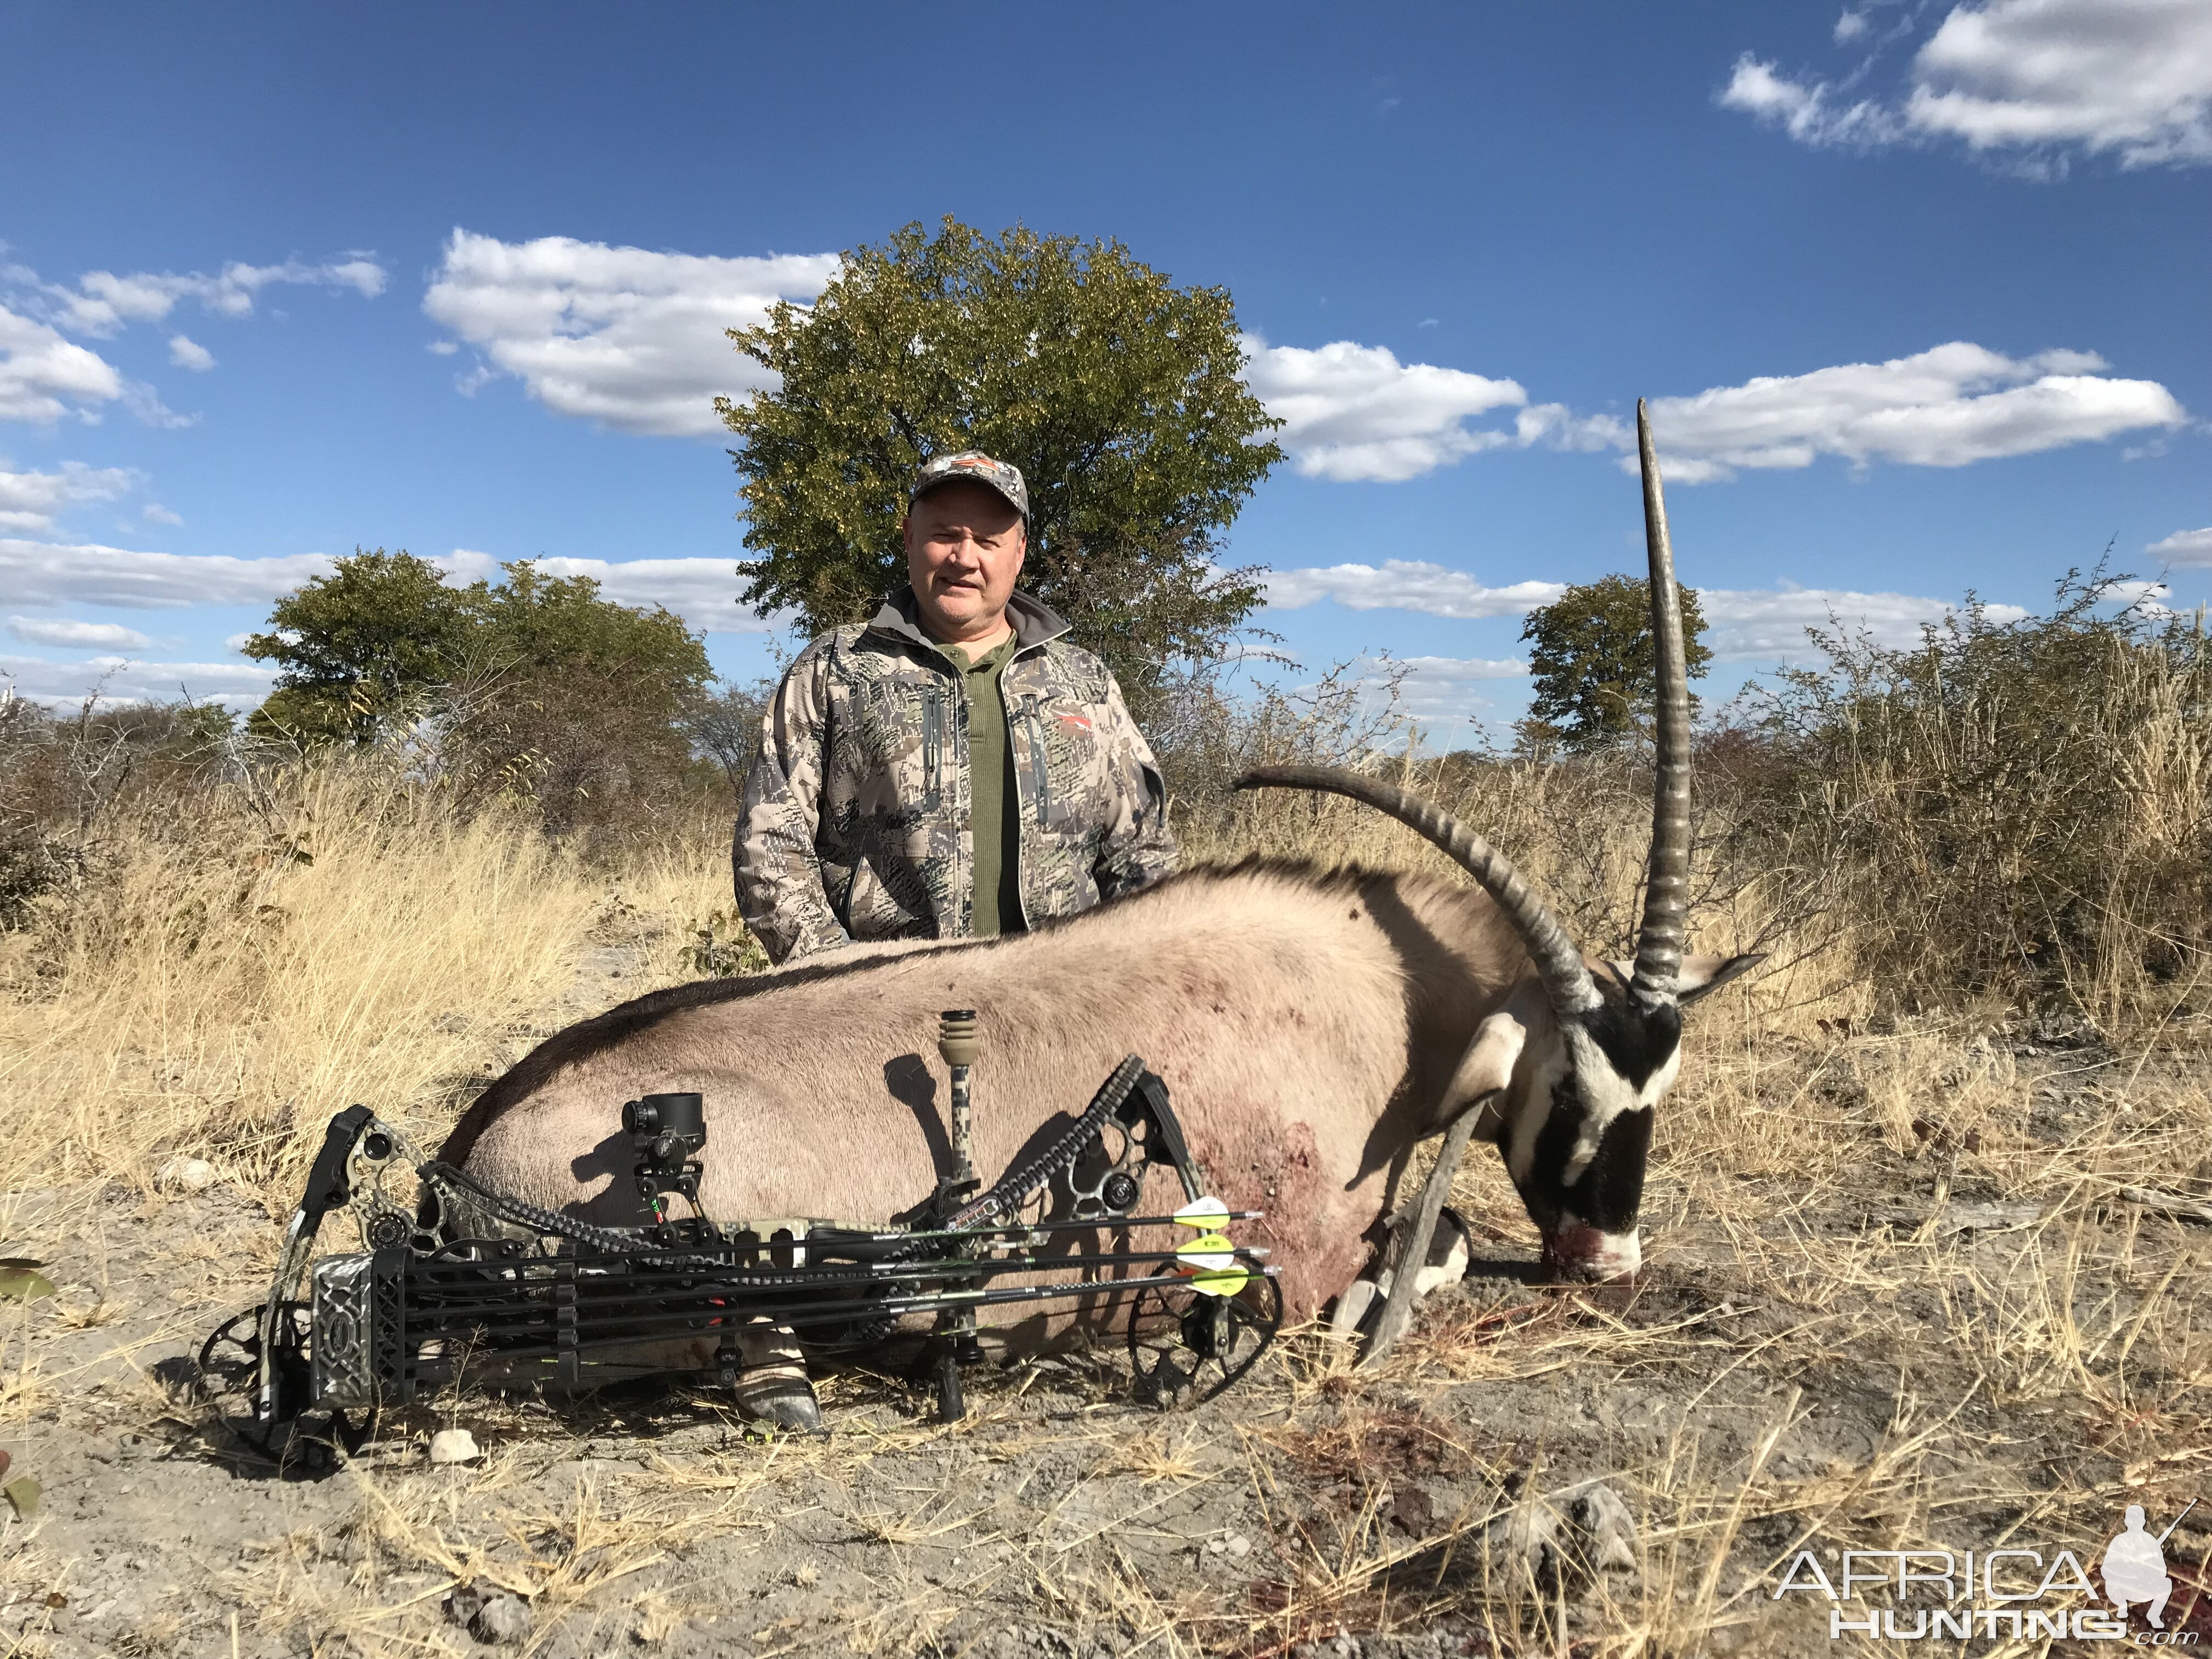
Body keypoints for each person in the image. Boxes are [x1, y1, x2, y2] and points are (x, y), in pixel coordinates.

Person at [735, 450, 1177, 964]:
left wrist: (1129, 972)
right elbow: (768, 847)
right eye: (945, 534)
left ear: (1019, 553)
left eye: (988, 541)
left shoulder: (1085, 682)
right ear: (908, 538)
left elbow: (1142, 852)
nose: (964, 558)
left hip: (1063, 997)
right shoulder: (834, 668)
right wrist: (843, 982)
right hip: (887, 1007)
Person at [2102, 1505, 2172, 1628]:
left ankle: (2154, 1615)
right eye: (2132, 1520)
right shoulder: (2119, 1541)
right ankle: (2121, 1607)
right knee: (2110, 1583)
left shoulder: (2151, 1542)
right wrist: (2127, 1571)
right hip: (2123, 1588)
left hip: (2144, 1587)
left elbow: (2163, 1570)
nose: (2135, 1523)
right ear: (2126, 1522)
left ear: (2143, 1522)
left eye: (2138, 1520)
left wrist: (2147, 1570)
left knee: (2167, 1584)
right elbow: (2106, 1570)